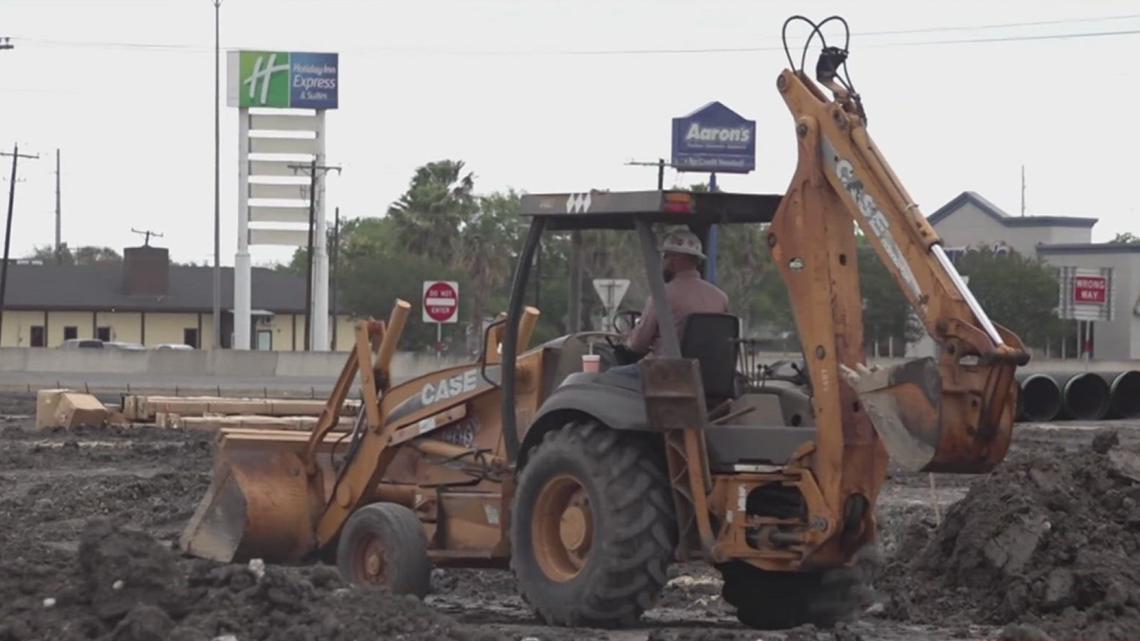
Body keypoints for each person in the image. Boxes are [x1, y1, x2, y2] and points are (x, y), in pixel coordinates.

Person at [611, 230, 728, 373]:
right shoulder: (720, 298)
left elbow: (638, 344)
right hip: (708, 375)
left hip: (665, 376)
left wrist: (627, 339)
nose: (663, 262)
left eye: (665, 256)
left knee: (609, 376)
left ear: (674, 260)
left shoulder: (661, 295)